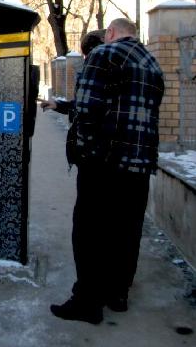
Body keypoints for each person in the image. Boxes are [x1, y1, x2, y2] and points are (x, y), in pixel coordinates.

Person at [50, 18, 164, 325]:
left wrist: (86, 153)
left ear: (110, 33)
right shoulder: (152, 61)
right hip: (139, 165)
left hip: (104, 163)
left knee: (89, 230)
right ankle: (118, 294)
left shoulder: (104, 54)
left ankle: (87, 301)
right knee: (126, 230)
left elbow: (86, 110)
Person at [40, 29, 106, 168]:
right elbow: (83, 104)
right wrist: (58, 105)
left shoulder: (103, 74)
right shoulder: (90, 74)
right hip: (89, 152)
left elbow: (90, 106)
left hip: (97, 153)